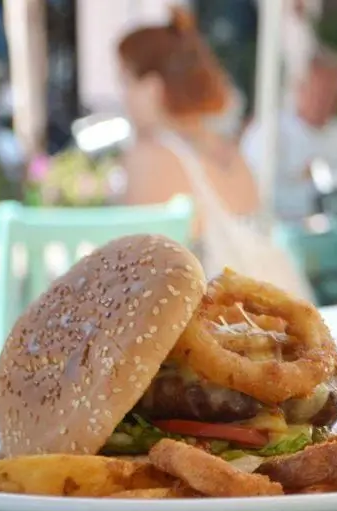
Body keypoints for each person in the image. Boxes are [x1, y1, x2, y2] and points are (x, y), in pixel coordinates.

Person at [118, 7, 312, 300]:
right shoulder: (230, 152)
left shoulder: (153, 157)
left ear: (153, 87)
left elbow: (134, 283)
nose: (124, 97)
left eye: (126, 83)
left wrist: (144, 132)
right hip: (274, 317)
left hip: (217, 331)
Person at [241, 48, 337, 223]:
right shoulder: (268, 133)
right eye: (319, 91)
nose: (325, 101)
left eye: (332, 93)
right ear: (299, 88)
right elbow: (256, 194)